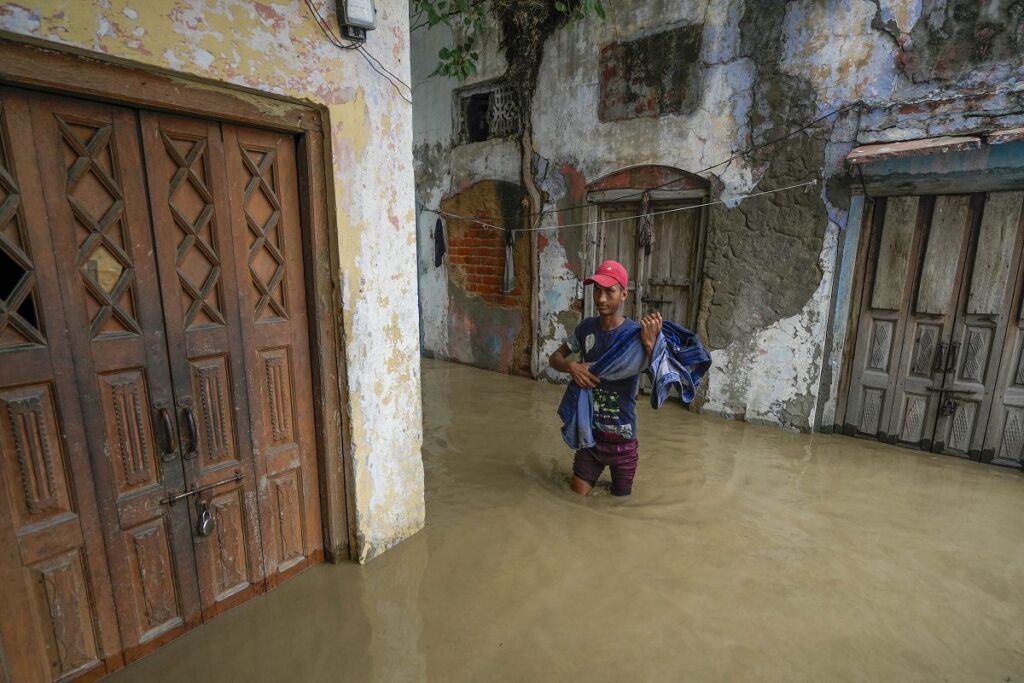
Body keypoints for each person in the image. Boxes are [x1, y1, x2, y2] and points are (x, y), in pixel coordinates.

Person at [549, 259, 663, 496]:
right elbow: (555, 357)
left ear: (624, 294)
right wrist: (572, 367)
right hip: (589, 438)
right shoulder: (586, 329)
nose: (601, 299)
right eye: (597, 290)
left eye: (609, 291)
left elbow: (660, 383)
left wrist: (651, 346)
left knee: (620, 505)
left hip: (624, 442)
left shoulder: (635, 336)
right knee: (576, 501)